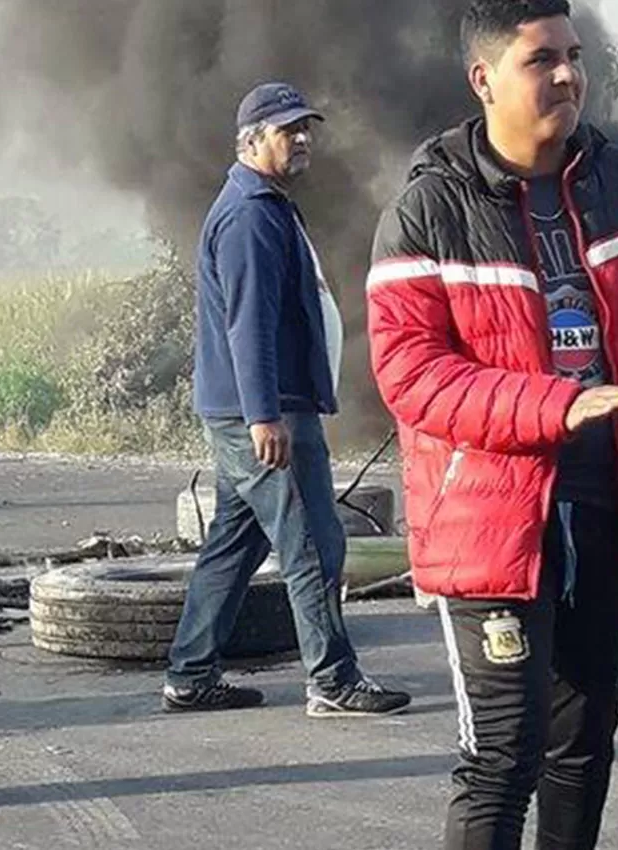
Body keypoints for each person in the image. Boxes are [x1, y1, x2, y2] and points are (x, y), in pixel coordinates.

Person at [365, 2, 618, 847]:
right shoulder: (427, 213)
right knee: (502, 761)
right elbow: (411, 374)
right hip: (494, 527)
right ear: (483, 79)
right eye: (541, 60)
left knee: (583, 751)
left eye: (574, 54)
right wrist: (558, 405)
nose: (568, 74)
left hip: (611, 511)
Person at [163, 81, 411, 718]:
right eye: (286, 130)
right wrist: (263, 416)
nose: (302, 139)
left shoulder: (265, 204)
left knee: (236, 542)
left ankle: (190, 675)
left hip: (257, 407)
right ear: (251, 141)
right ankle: (332, 681)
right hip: (267, 412)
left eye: (306, 128)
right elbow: (250, 324)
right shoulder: (249, 216)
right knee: (313, 542)